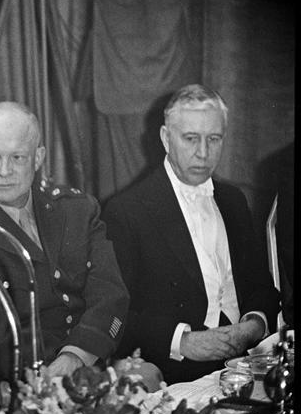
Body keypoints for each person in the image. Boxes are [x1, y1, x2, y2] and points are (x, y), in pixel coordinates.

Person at [0, 101, 130, 397]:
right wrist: (58, 375)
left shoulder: (77, 210)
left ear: (38, 157)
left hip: (90, 365)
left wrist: (75, 356)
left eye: (17, 157)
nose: (4, 171)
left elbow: (111, 295)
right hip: (14, 393)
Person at [102, 84, 280, 384]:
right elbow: (115, 315)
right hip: (174, 370)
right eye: (190, 138)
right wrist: (184, 341)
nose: (203, 153)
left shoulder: (234, 200)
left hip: (245, 362)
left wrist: (253, 325)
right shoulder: (127, 210)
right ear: (165, 138)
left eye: (214, 139)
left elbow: (262, 287)